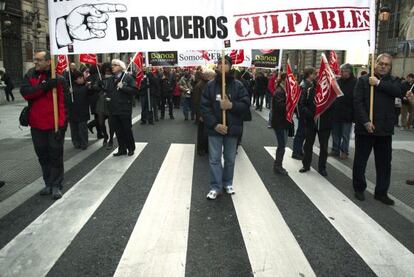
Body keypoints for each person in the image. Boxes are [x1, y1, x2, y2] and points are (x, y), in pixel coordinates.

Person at [353, 53, 403, 205]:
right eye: (380, 63)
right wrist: (366, 121)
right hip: (365, 129)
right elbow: (357, 102)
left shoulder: (394, 81)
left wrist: (379, 84)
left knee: (384, 163)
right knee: (360, 161)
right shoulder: (362, 80)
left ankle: (381, 192)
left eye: (386, 64)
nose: (383, 66)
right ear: (375, 63)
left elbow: (399, 93)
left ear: (390, 67)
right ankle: (359, 188)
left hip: (384, 130)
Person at [20, 50, 68, 200]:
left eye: (39, 60)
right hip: (36, 125)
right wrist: (45, 86)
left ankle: (56, 185)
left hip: (54, 125)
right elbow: (26, 93)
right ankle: (48, 182)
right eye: (35, 60)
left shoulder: (59, 79)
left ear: (48, 61)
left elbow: (64, 106)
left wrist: (62, 126)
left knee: (56, 156)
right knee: (43, 156)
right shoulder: (30, 75)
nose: (36, 62)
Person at [200, 55, 250, 200]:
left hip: (232, 129)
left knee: (229, 159)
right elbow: (204, 107)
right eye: (220, 63)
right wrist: (215, 125)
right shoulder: (210, 86)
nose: (222, 65)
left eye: (225, 63)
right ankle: (215, 186)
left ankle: (227, 182)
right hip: (215, 129)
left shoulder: (238, 85)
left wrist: (231, 105)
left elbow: (245, 105)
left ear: (230, 66)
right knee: (214, 159)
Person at [298, 69, 334, 177]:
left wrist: (326, 113)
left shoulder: (330, 94)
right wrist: (309, 114)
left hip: (325, 124)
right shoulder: (309, 90)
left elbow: (335, 108)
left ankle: (322, 168)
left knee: (324, 147)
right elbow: (301, 104)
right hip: (311, 122)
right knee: (308, 145)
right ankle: (306, 165)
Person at [107, 59, 137, 156]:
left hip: (124, 109)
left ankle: (131, 148)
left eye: (115, 65)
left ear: (120, 67)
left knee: (127, 129)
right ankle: (122, 149)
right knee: (118, 130)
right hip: (114, 109)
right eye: (112, 65)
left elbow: (134, 91)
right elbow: (109, 90)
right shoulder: (111, 79)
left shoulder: (128, 77)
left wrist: (123, 87)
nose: (112, 67)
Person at [330, 64, 357, 159]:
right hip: (336, 112)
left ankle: (344, 151)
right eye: (341, 71)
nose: (341, 73)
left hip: (348, 113)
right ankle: (335, 149)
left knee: (345, 135)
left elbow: (356, 99)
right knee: (335, 133)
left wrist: (354, 114)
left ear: (349, 71)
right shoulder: (338, 81)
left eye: (343, 71)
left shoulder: (355, 82)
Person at [271, 73, 294, 175]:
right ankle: (278, 166)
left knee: (283, 144)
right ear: (284, 80)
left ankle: (278, 165)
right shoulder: (279, 92)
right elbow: (280, 107)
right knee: (282, 145)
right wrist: (290, 102)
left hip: (283, 122)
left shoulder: (284, 90)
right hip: (279, 122)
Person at [292, 67, 316, 160]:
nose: (315, 75)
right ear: (310, 74)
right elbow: (301, 103)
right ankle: (296, 152)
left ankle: (298, 150)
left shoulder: (309, 84)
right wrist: (308, 113)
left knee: (303, 133)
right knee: (301, 133)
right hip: (304, 114)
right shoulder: (304, 85)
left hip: (305, 113)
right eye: (314, 74)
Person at [193, 68, 216, 155]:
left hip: (207, 112)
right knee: (202, 132)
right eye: (213, 76)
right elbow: (197, 101)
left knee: (207, 132)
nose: (214, 78)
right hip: (203, 113)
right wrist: (200, 115)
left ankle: (206, 148)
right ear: (209, 77)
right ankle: (201, 149)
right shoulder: (201, 85)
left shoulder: (206, 84)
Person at [68, 70, 90, 150]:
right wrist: (68, 92)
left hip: (83, 112)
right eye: (80, 78)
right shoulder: (70, 89)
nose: (82, 79)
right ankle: (76, 143)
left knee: (82, 129)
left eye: (82, 77)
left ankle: (84, 143)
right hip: (72, 112)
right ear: (75, 80)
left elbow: (91, 92)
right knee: (74, 129)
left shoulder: (86, 87)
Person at [95, 63, 115, 149]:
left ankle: (111, 139)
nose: (107, 71)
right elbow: (95, 87)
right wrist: (98, 85)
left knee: (111, 123)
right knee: (100, 122)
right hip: (101, 101)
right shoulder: (100, 77)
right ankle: (105, 136)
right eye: (105, 70)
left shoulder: (114, 77)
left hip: (111, 101)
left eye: (108, 70)